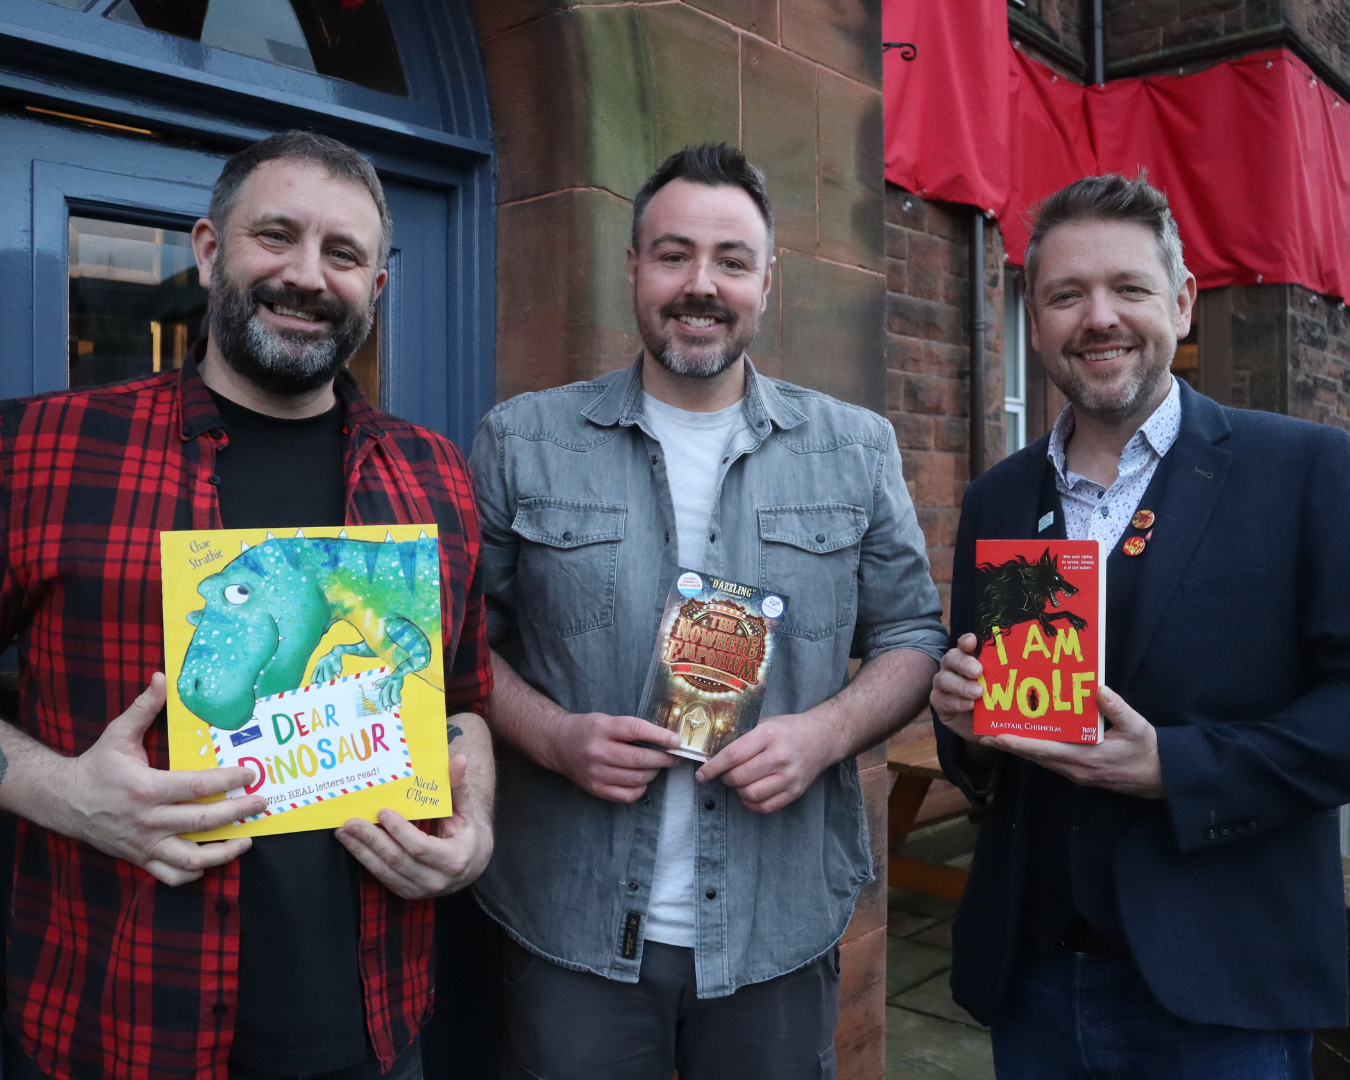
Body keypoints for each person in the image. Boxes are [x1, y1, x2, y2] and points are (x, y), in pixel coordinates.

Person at [0, 131, 495, 1080]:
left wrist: (475, 830)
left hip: (374, 1034)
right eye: (277, 235)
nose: (308, 275)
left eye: (344, 253)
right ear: (208, 249)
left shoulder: (436, 475)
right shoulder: (47, 450)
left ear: (377, 289)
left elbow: (462, 700)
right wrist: (62, 794)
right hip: (119, 1030)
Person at [469, 142, 947, 1079]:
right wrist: (554, 737)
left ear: (769, 280)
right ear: (633, 269)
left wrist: (823, 735)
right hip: (574, 920)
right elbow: (456, 648)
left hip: (775, 927)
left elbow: (912, 636)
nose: (702, 284)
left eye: (731, 260)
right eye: (674, 254)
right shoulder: (522, 439)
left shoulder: (854, 449)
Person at [930, 173, 1350, 1079]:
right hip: (1034, 984)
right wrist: (968, 726)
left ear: (1183, 301)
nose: (1099, 318)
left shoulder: (1308, 471)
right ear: (1034, 319)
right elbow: (989, 741)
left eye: (1128, 288)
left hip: (1222, 991)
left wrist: (1175, 769)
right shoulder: (1000, 498)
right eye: (1066, 295)